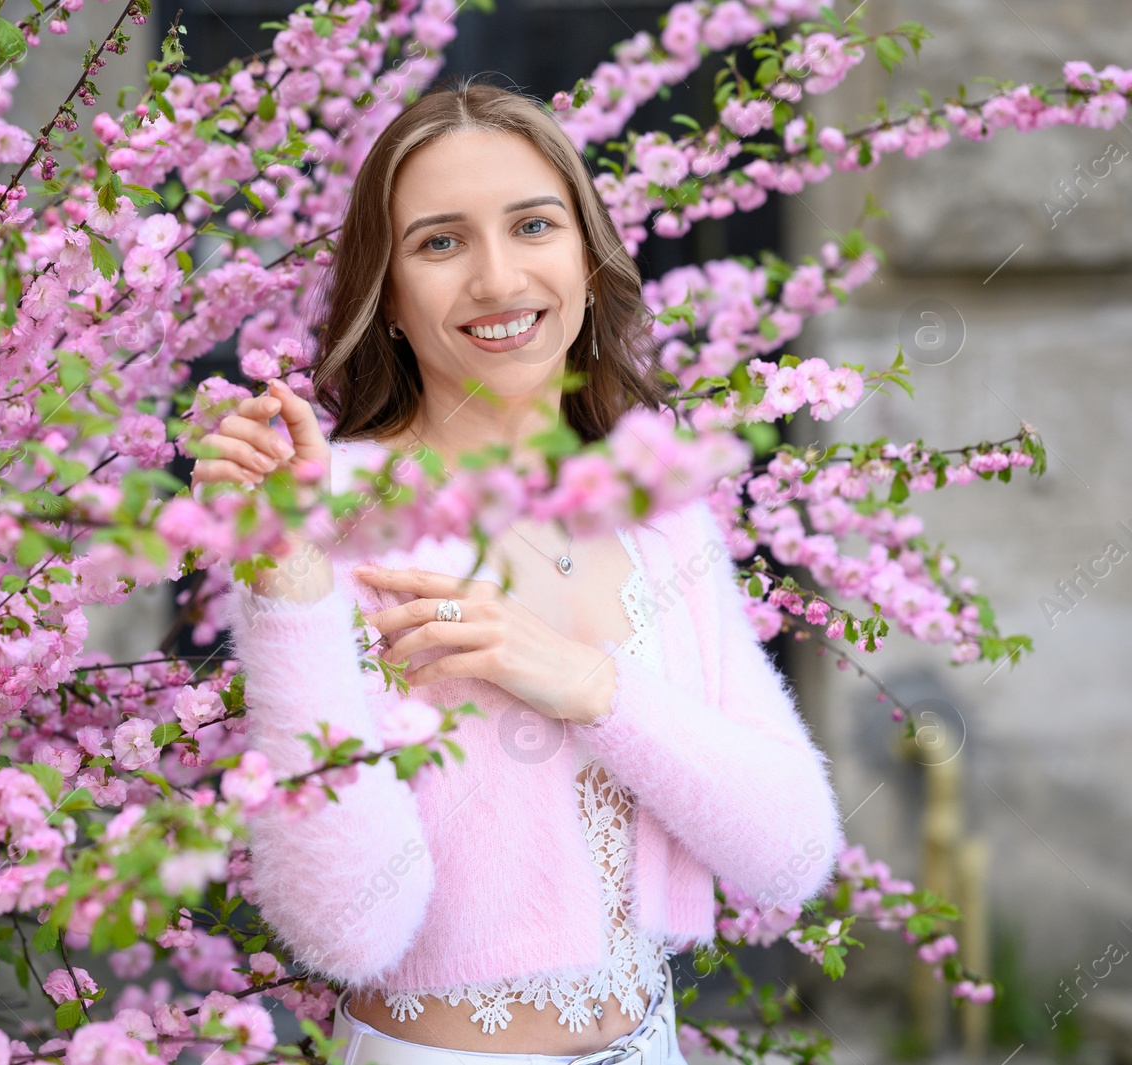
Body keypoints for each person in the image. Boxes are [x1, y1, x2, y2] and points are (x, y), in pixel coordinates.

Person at [189, 82, 843, 1065]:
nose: (497, 279)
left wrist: (585, 684)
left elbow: (790, 855)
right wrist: (287, 584)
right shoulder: (330, 514)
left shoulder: (657, 514)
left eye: (532, 225)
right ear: (391, 295)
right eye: (440, 242)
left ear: (585, 258)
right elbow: (345, 932)